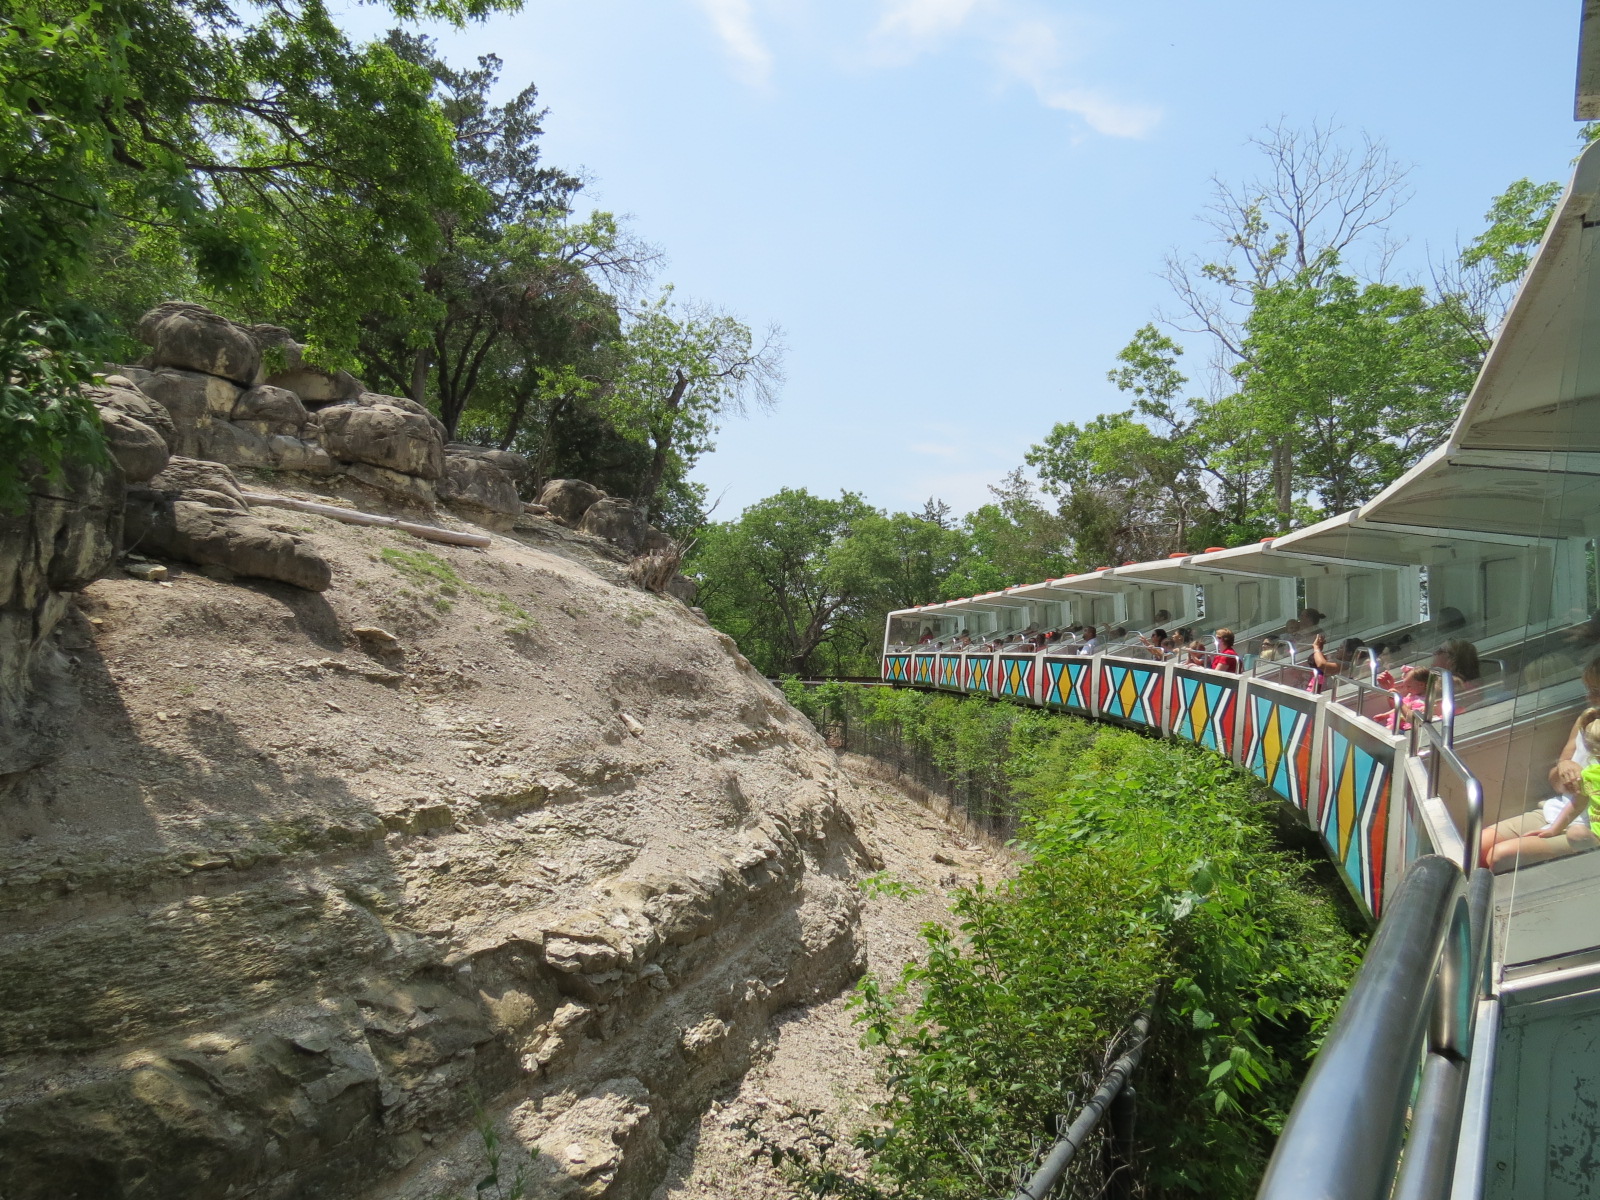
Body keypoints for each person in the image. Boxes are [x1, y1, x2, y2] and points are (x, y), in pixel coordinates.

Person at [1482, 699, 1600, 873]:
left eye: (1595, 689)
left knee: (1499, 856)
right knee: (1479, 845)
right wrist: (1564, 767)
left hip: (1590, 828)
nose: (1591, 696)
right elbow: (1560, 785)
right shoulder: (1588, 720)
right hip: (1562, 809)